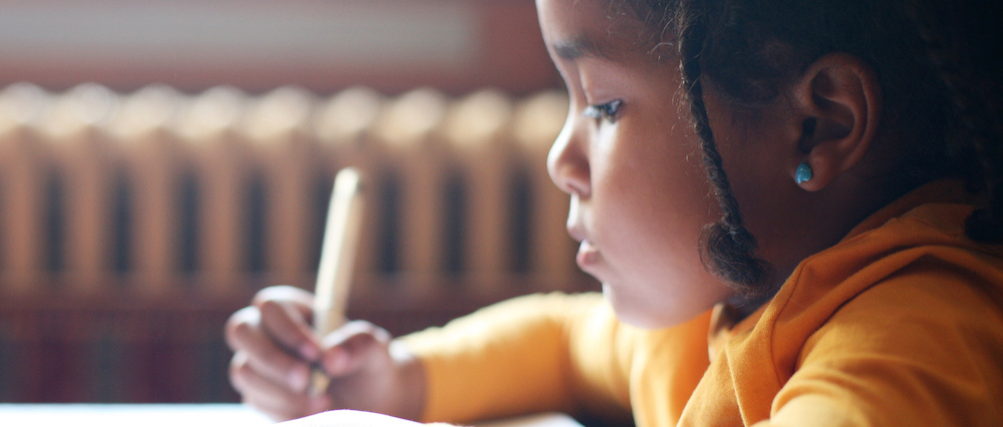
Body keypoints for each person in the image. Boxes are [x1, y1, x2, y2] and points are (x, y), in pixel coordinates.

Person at [225, 0, 1003, 425]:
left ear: (819, 124)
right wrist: (391, 379)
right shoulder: (728, 298)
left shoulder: (911, 344)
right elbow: (564, 341)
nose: (560, 158)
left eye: (602, 104)